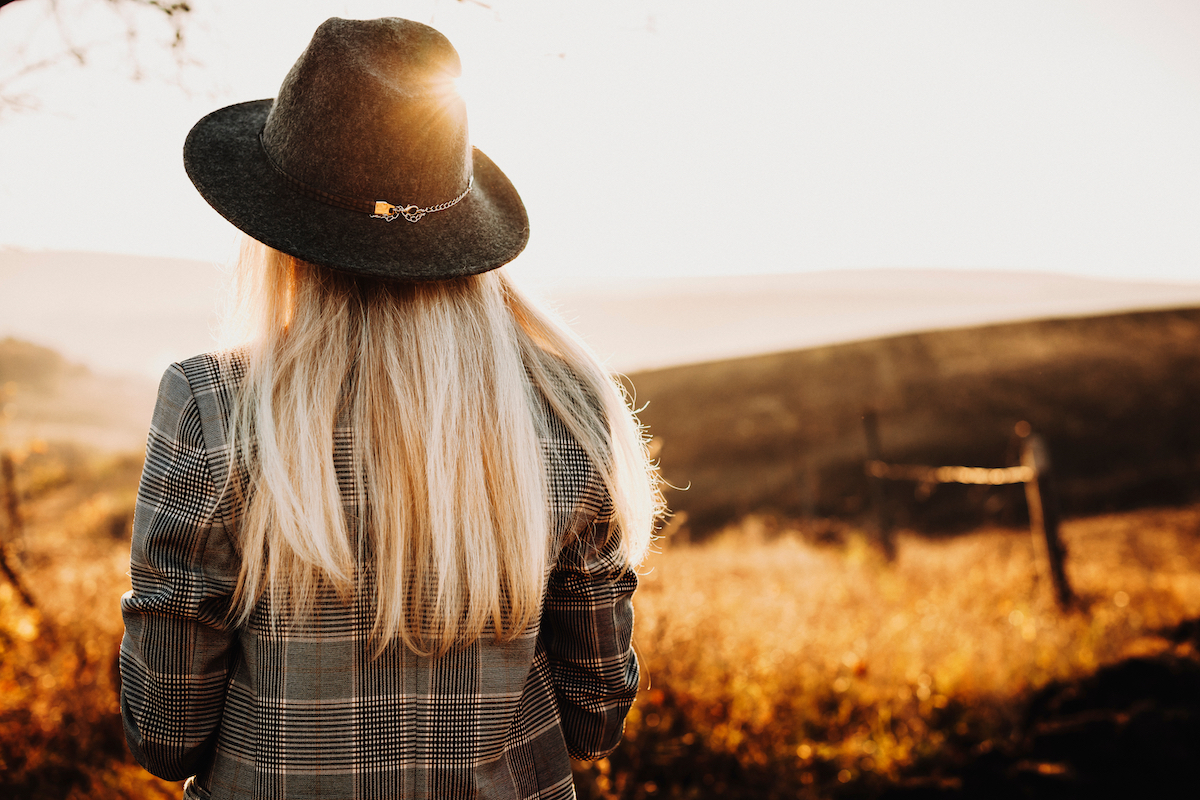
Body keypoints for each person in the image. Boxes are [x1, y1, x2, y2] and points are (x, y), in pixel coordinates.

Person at [119, 17, 661, 800]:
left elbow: (166, 734)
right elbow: (594, 720)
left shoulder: (212, 404)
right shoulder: (568, 406)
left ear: (274, 232)